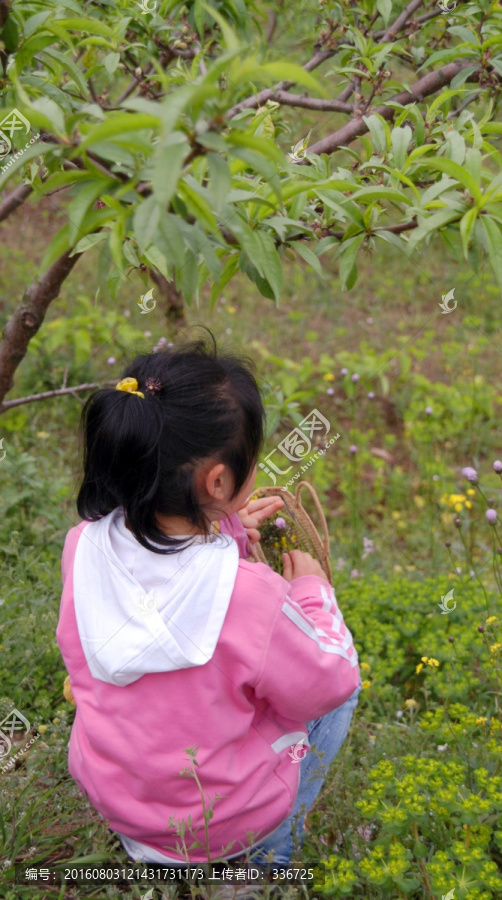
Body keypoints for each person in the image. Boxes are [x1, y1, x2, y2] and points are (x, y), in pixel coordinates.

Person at [56, 337, 361, 874]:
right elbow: (329, 679)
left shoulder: (83, 545)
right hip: (222, 825)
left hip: (123, 805)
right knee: (338, 684)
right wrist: (312, 592)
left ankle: (152, 853)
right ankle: (271, 855)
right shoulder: (252, 596)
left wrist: (224, 529)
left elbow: (169, 588)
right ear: (218, 481)